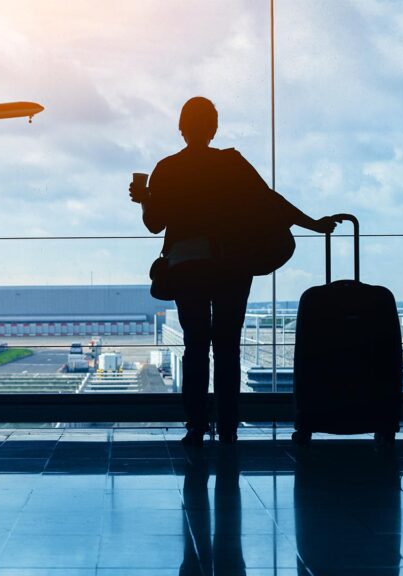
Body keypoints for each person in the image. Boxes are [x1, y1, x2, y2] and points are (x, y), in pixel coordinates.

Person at [130, 96, 337, 446]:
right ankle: (228, 427)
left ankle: (195, 426)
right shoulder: (231, 163)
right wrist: (312, 224)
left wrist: (146, 197)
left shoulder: (167, 168)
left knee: (196, 347)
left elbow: (153, 225)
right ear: (214, 128)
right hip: (231, 265)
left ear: (181, 128)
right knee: (228, 348)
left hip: (187, 266)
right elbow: (270, 200)